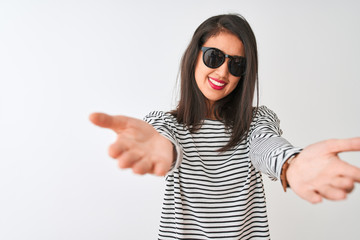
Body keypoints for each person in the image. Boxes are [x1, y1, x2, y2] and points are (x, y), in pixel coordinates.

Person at [89, 14, 360, 239]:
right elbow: (164, 140)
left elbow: (265, 144)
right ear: (194, 56)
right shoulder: (168, 124)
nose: (223, 73)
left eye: (237, 64)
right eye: (214, 57)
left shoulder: (256, 122)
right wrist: (161, 147)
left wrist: (291, 164)